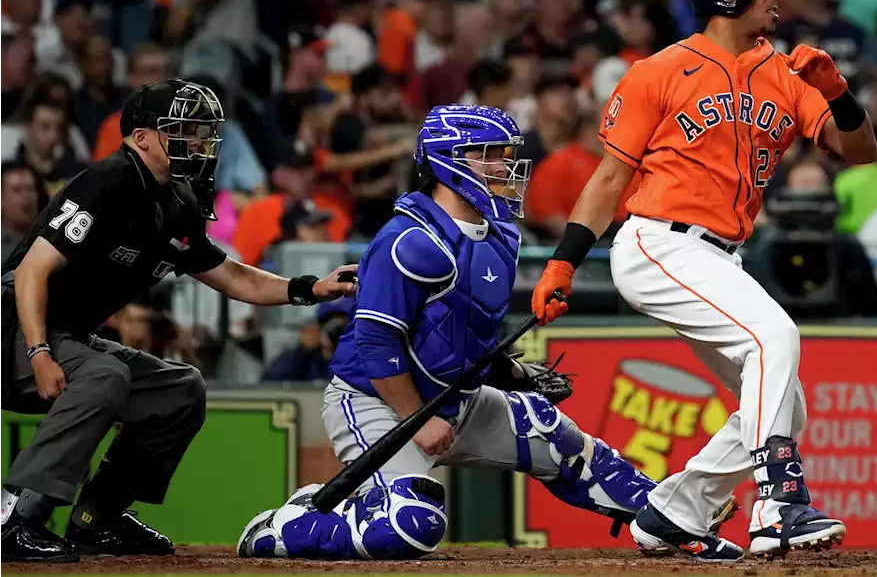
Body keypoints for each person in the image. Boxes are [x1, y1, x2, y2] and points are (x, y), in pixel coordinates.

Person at [236, 105, 734, 560]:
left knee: (559, 440)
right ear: (448, 161)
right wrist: (416, 420)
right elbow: (375, 344)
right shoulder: (409, 240)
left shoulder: (501, 234)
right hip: (377, 403)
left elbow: (458, 334)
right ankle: (291, 526)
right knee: (411, 527)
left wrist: (511, 372)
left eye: (505, 154)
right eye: (488, 154)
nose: (503, 166)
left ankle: (669, 519)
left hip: (457, 398)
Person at [530, 0, 877, 562]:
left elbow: (860, 152)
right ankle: (777, 507)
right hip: (658, 242)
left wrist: (838, 93)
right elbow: (610, 178)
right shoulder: (658, 71)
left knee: (782, 408)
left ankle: (672, 513)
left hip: (720, 256)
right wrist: (563, 261)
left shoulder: (787, 72)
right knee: (776, 338)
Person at [0, 79, 356, 561]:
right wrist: (40, 352)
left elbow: (231, 276)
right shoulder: (105, 182)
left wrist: (308, 288)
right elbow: (30, 272)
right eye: (184, 130)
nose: (199, 142)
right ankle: (16, 516)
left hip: (66, 335)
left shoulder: (175, 202)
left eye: (202, 131)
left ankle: (97, 517)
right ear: (141, 137)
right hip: (12, 330)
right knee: (105, 373)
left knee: (179, 388)